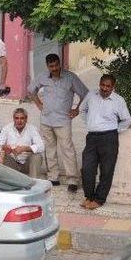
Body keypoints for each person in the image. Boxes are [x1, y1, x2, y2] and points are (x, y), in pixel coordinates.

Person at [28, 53, 88, 192]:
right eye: (51, 66)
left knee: (67, 149)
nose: (54, 68)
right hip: (46, 120)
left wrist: (77, 109)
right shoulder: (43, 76)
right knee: (50, 149)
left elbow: (85, 93)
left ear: (60, 63)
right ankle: (53, 177)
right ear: (47, 66)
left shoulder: (70, 77)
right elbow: (31, 89)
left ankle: (72, 180)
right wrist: (38, 104)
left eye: (56, 65)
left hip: (63, 121)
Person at [79, 74, 131, 210]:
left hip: (109, 138)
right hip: (91, 138)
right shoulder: (91, 95)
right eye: (103, 85)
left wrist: (114, 130)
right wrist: (90, 123)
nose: (104, 88)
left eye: (108, 86)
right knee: (87, 168)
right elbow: (82, 110)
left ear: (113, 87)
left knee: (107, 170)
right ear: (99, 84)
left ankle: (99, 199)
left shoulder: (118, 101)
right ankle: (89, 196)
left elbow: (127, 120)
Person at [0, 108, 45, 175]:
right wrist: (5, 148)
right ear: (13, 119)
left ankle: (33, 183)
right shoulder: (7, 128)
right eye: (17, 118)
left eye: (22, 118)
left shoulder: (32, 129)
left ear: (26, 119)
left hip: (26, 164)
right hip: (12, 163)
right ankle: (7, 182)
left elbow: (41, 146)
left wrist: (25, 148)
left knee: (37, 156)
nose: (19, 121)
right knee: (2, 155)